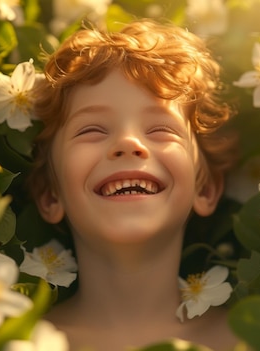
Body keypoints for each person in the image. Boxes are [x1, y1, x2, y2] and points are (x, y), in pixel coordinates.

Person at [27, 19, 239, 351]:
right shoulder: (18, 344)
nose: (127, 142)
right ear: (50, 195)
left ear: (205, 188)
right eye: (91, 130)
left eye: (160, 129)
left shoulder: (254, 341)